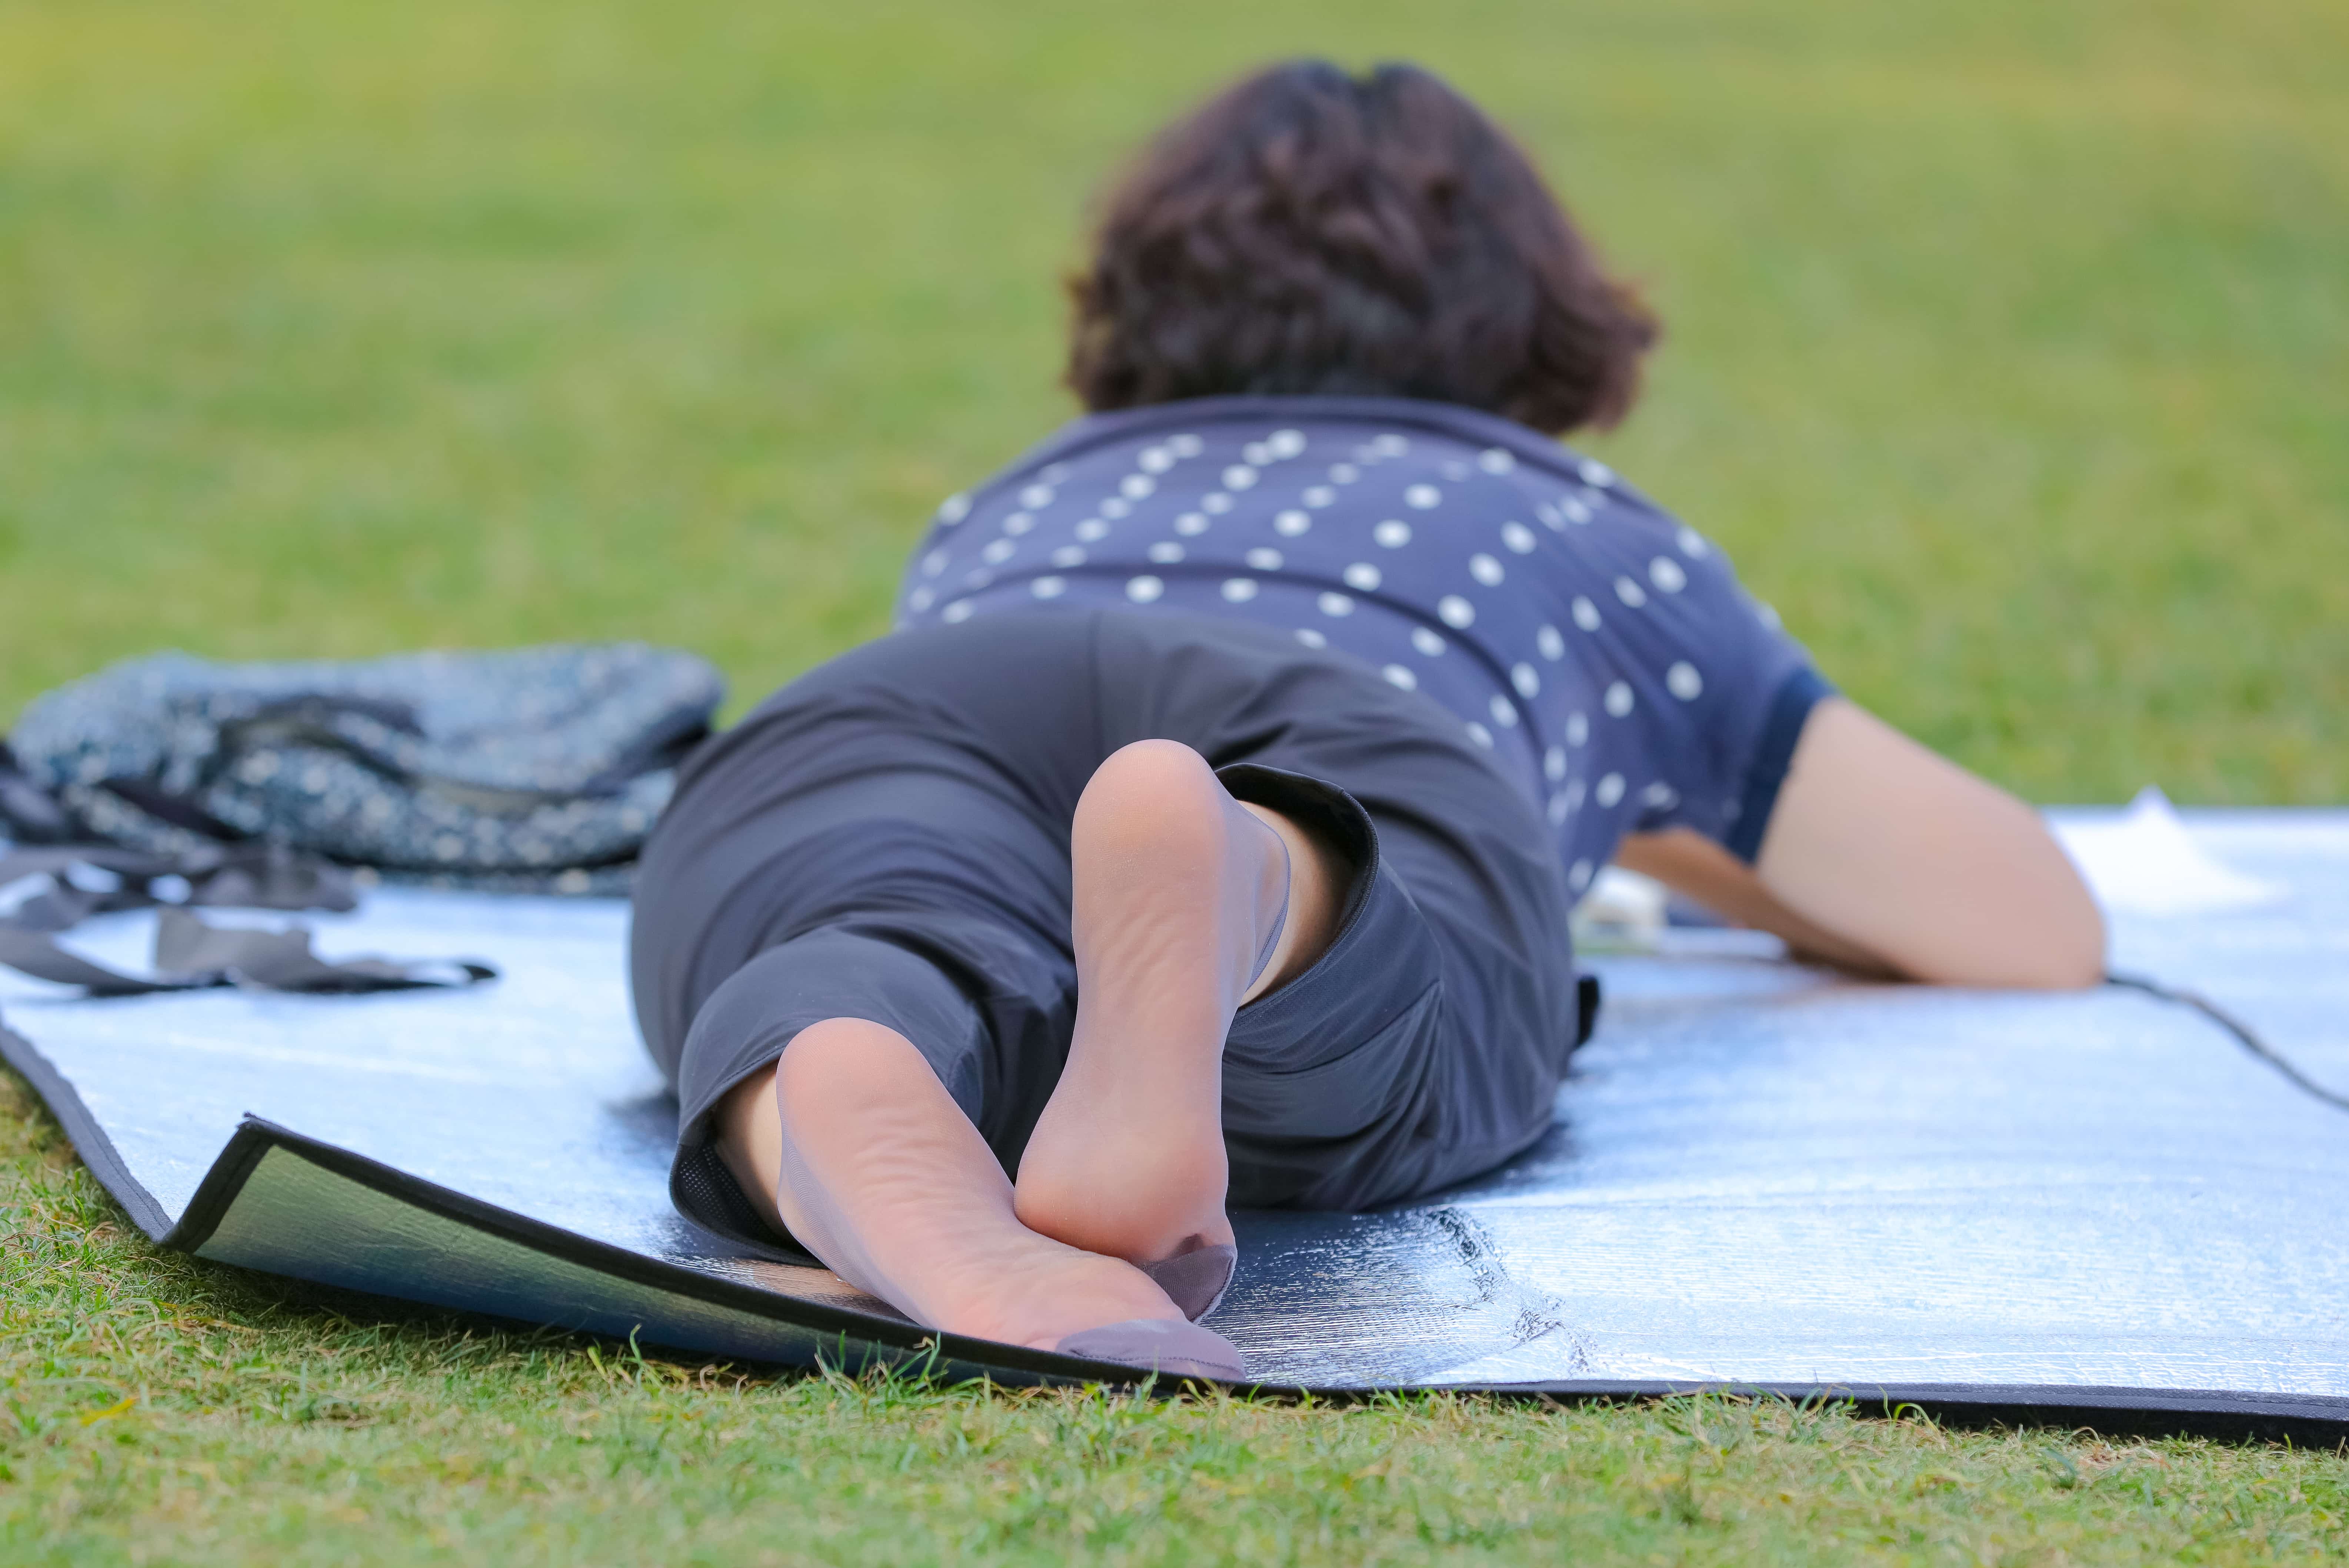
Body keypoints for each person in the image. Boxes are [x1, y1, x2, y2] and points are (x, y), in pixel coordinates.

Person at [630, 61, 2104, 1381]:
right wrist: (1650, 813)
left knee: (866, 926)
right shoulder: (1573, 534)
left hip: (894, 709)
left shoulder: (1018, 500)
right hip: (1347, 713)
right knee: (1392, 948)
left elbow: (967, 798)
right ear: (1537, 326)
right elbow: (2020, 920)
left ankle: (835, 1071)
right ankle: (1258, 876)